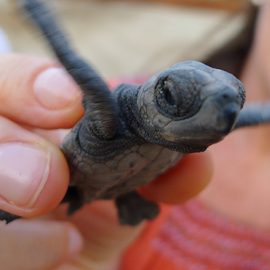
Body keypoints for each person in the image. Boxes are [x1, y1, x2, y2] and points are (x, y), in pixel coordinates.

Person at [0, 2, 267, 270]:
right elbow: (73, 61)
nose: (220, 116)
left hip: (123, 194)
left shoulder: (201, 128)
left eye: (232, 107)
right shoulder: (111, 114)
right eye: (175, 97)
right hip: (68, 189)